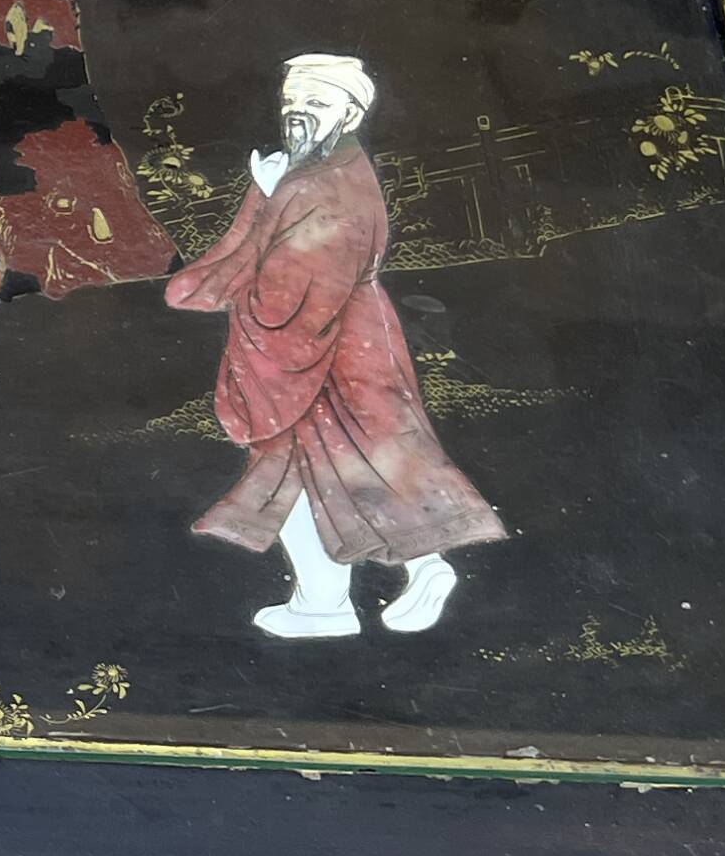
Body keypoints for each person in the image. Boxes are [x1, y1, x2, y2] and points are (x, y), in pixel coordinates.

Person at [161, 52, 506, 638]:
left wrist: (268, 202)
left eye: (316, 103)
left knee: (320, 472)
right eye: (291, 102)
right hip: (351, 340)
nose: (297, 114)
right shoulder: (314, 172)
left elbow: (286, 294)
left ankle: (335, 601)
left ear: (351, 111)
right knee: (344, 470)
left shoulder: (326, 185)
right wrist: (268, 193)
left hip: (326, 349)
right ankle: (373, 585)